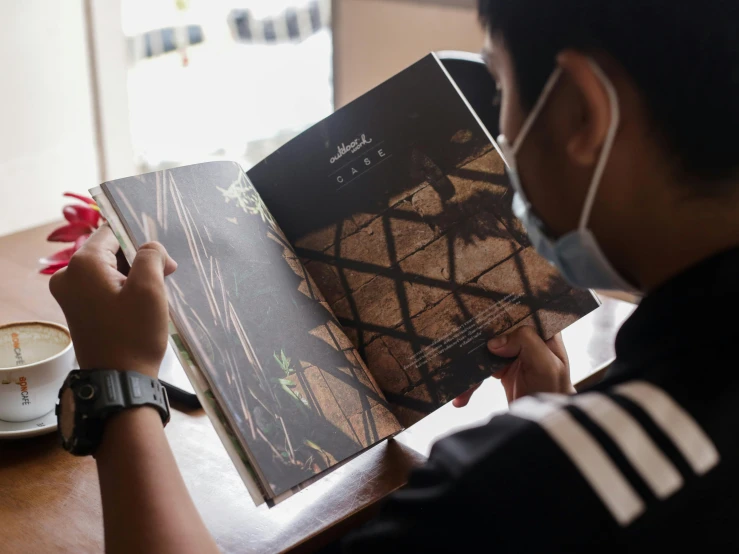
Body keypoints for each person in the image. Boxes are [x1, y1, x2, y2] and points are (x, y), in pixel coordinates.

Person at [50, 0, 739, 551]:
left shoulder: (525, 488)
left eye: (499, 87)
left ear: (582, 111)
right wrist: (555, 416)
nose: (500, 133)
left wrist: (118, 380)